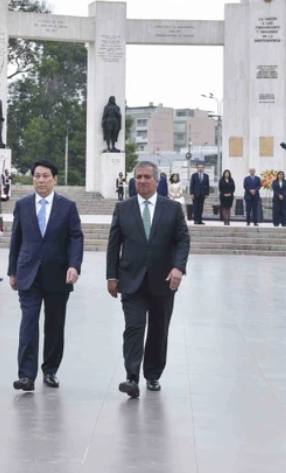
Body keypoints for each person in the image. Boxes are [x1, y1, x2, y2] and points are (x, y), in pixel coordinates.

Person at [106, 161, 190, 398]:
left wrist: (178, 268)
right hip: (131, 280)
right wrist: (111, 276)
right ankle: (131, 377)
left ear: (157, 180)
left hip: (163, 280)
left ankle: (152, 375)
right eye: (138, 177)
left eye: (146, 177)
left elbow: (183, 240)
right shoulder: (123, 208)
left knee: (158, 329)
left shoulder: (172, 209)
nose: (141, 181)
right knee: (133, 327)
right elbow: (114, 245)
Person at [8, 159, 84, 392]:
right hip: (28, 273)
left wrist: (74, 265)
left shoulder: (67, 206)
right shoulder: (22, 205)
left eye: (45, 176)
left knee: (54, 324)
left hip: (58, 274)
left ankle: (50, 370)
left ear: (55, 179)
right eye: (37, 176)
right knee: (28, 322)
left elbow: (76, 237)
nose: (40, 180)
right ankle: (26, 375)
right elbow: (16, 239)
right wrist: (12, 271)